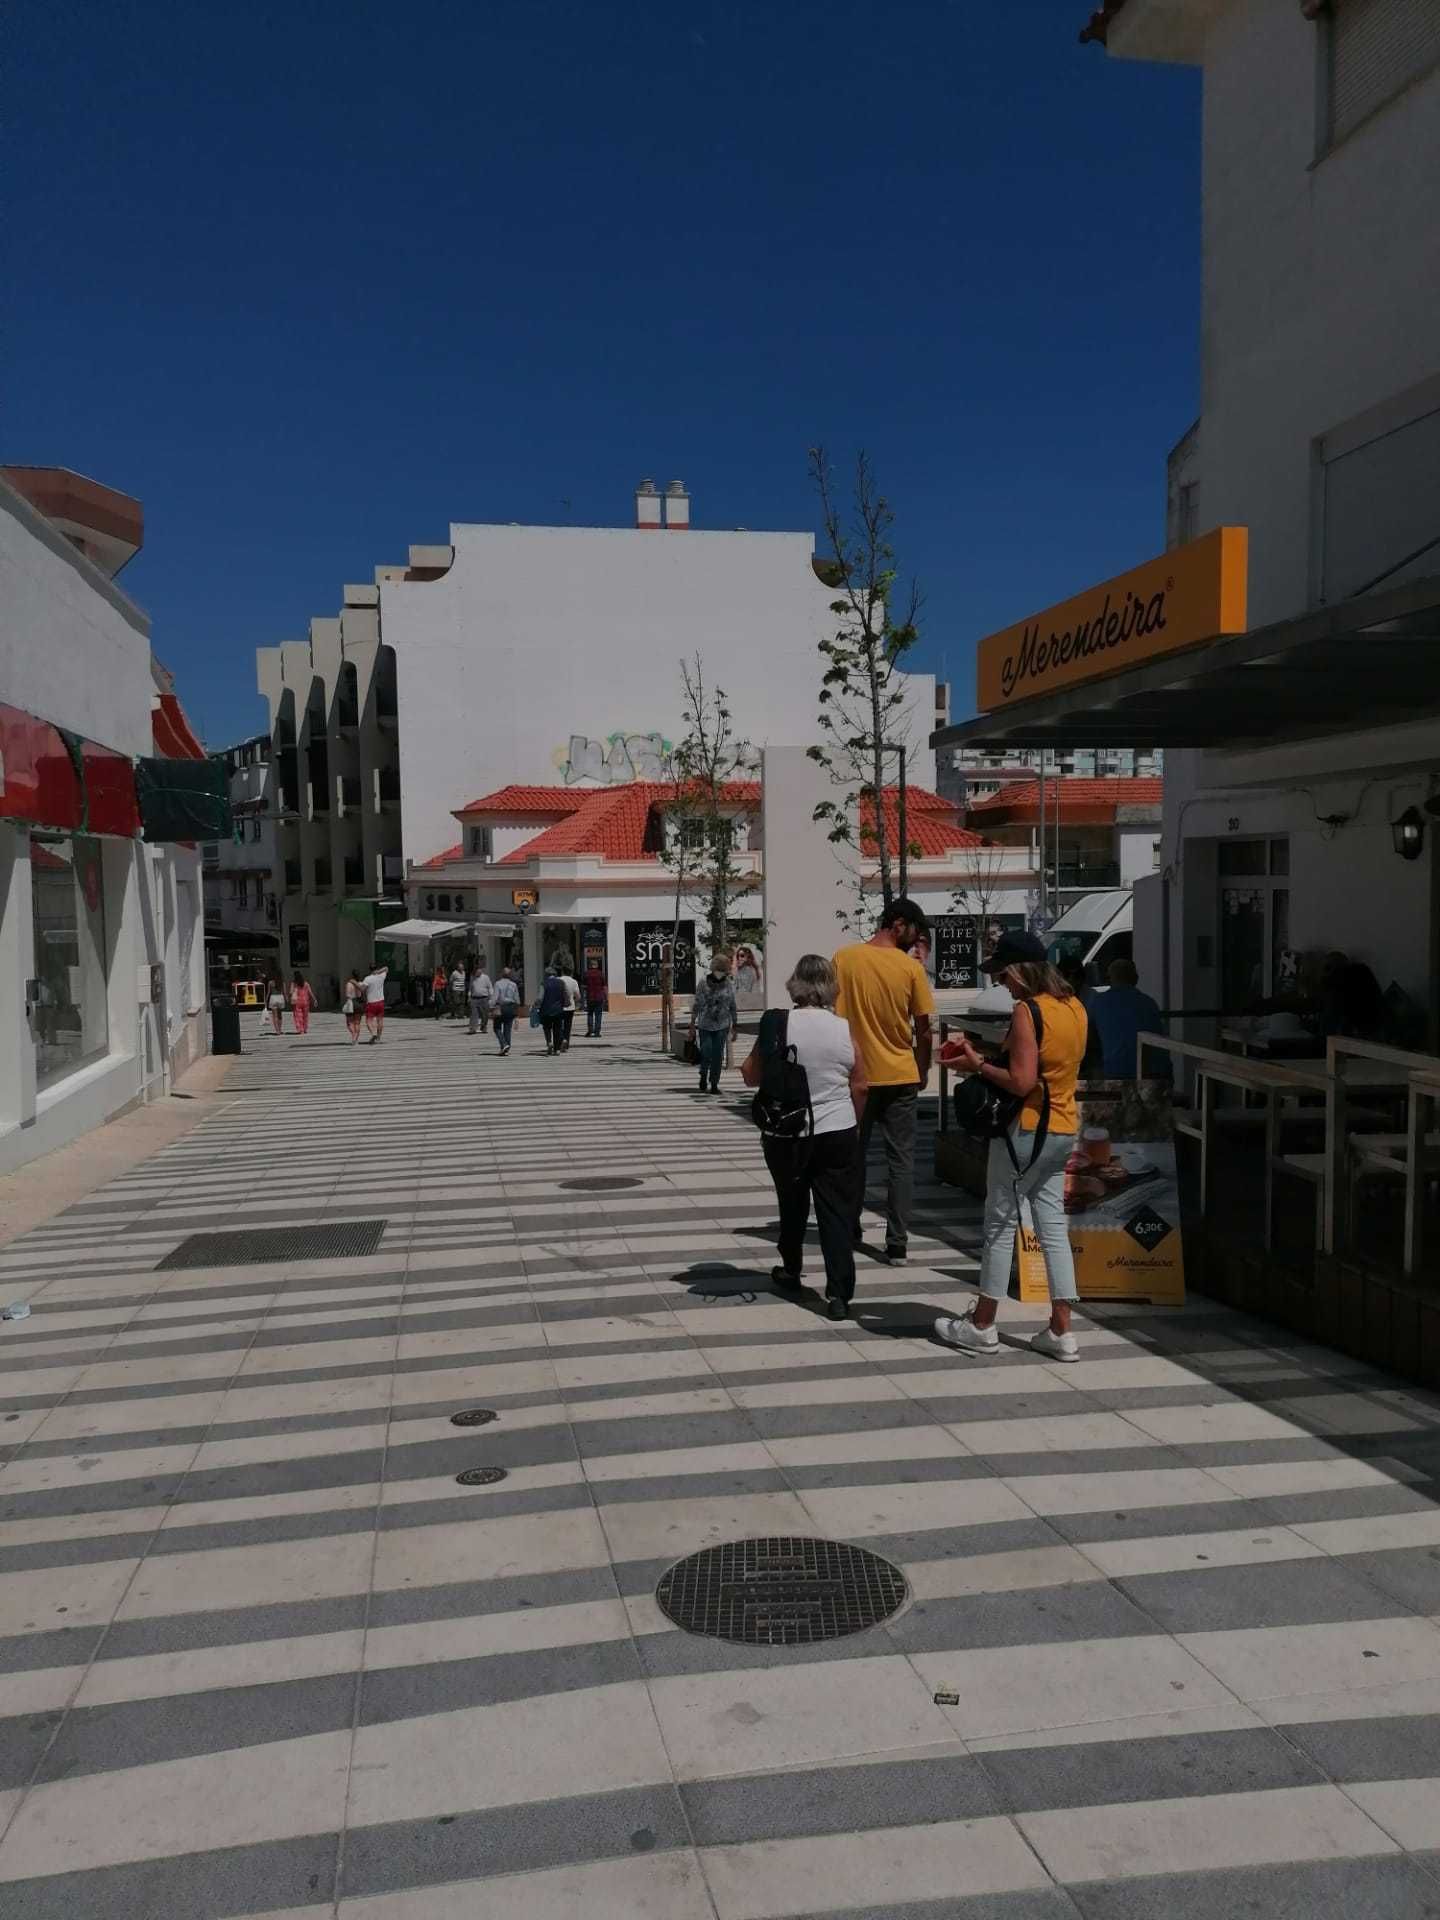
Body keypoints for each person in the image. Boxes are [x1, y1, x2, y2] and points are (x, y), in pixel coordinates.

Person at [934, 930, 1088, 1362]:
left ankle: (982, 1324)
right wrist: (983, 1053)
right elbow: (1047, 1065)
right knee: (1053, 1228)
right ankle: (1061, 1330)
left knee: (1000, 1224)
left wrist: (976, 1063)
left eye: (1003, 974)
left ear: (1021, 972)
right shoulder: (1075, 1007)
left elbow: (1021, 1080)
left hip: (1026, 1130)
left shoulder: (1028, 1010)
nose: (1002, 984)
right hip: (1062, 1126)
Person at [742, 954, 868, 1320]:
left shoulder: (777, 1024)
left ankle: (792, 1269)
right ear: (831, 988)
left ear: (795, 983)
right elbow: (861, 1085)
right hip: (837, 1132)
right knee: (837, 1213)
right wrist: (852, 1125)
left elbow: (751, 1076)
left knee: (791, 1203)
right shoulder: (844, 1029)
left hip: (787, 1133)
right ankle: (839, 1294)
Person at [833, 898, 933, 1264]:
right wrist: (921, 1072)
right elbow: (924, 1030)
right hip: (901, 1077)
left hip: (855, 1077)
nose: (916, 939)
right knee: (901, 1162)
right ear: (899, 924)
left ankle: (849, 1227)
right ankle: (897, 1243)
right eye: (915, 931)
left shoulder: (844, 960)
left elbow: (834, 1020)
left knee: (852, 1157)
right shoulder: (910, 970)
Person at [1086, 956, 1163, 1078]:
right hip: (1146, 1072)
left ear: (1110, 979)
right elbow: (1159, 1041)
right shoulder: (1148, 1003)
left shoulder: (1099, 1002)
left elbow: (1089, 1036)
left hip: (1112, 1070)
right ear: (1135, 979)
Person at [692, 952, 738, 1093]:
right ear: (714, 968)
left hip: (722, 1025)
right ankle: (703, 1074)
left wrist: (735, 1024)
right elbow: (697, 1004)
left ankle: (714, 1084)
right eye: (720, 970)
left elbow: (732, 1004)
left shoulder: (728, 984)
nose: (722, 973)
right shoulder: (703, 983)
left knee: (718, 1055)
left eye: (724, 971)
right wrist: (691, 1023)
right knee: (706, 1052)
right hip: (705, 1024)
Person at [536, 966, 568, 1054]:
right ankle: (557, 1049)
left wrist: (536, 1005)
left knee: (546, 1027)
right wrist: (566, 1003)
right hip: (558, 1009)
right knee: (557, 1028)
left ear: (546, 974)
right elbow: (566, 994)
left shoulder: (544, 983)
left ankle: (549, 1042)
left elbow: (540, 997)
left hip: (546, 1010)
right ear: (555, 974)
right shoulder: (561, 982)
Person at [493, 966, 520, 1054]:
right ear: (510, 975)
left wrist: (490, 1006)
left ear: (502, 974)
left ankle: (504, 1044)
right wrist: (516, 1013)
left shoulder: (497, 983)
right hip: (511, 1007)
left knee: (496, 1027)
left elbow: (495, 998)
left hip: (501, 1007)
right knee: (507, 1028)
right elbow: (517, 1000)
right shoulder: (514, 984)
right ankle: (506, 1048)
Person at [361, 963, 389, 1042]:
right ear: (376, 968)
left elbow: (362, 989)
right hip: (381, 1002)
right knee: (380, 1020)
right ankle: (379, 1038)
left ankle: (373, 1034)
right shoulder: (381, 976)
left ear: (369, 969)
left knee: (368, 1020)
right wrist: (379, 971)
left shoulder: (367, 978)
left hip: (371, 1002)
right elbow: (386, 968)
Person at [468, 957, 493, 1035]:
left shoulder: (486, 977)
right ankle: (473, 1028)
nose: (477, 973)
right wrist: (469, 996)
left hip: (484, 998)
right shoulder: (472, 978)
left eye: (479, 971)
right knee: (474, 1014)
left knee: (485, 1015)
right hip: (474, 999)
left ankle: (483, 1027)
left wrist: (491, 997)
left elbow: (490, 987)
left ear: (481, 971)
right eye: (476, 972)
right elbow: (470, 988)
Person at [559, 964, 581, 1050]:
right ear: (571, 973)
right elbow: (578, 996)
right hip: (570, 1007)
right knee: (568, 1026)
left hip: (560, 1007)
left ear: (562, 972)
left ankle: (560, 1040)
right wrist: (574, 1001)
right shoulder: (574, 981)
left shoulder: (558, 980)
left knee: (559, 1025)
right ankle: (566, 1041)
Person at [583, 963, 608, 1036]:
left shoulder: (587, 974)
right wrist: (606, 997)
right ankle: (597, 1032)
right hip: (599, 997)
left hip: (590, 997)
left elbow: (584, 985)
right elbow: (604, 986)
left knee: (590, 1014)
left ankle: (590, 1031)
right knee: (598, 1015)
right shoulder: (600, 974)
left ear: (590, 966)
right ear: (597, 966)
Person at [289, 972, 315, 1036]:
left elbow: (290, 992)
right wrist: (314, 999)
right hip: (306, 1001)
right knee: (305, 1016)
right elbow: (310, 992)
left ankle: (301, 1029)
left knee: (298, 1016)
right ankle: (305, 1029)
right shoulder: (305, 983)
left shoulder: (294, 983)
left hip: (297, 1002)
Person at [342, 971, 364, 1045]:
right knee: (357, 1023)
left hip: (351, 1003)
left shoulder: (349, 984)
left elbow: (348, 995)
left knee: (349, 1022)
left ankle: (353, 1036)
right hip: (359, 1004)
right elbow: (361, 994)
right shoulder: (360, 984)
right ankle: (356, 1040)